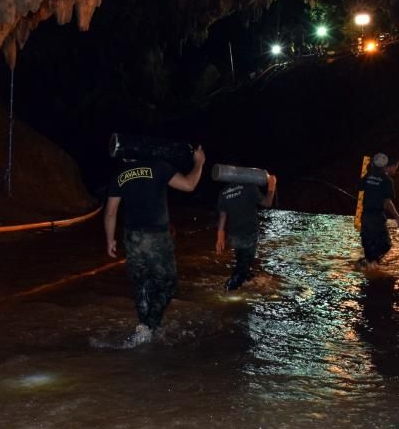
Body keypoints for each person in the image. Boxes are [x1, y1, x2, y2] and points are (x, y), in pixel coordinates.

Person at [104, 145, 206, 342]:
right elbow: (189, 185)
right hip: (157, 236)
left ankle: (143, 326)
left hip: (132, 237)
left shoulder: (120, 173)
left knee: (141, 283)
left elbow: (110, 212)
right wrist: (199, 163)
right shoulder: (159, 166)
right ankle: (150, 326)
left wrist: (110, 240)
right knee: (168, 284)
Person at [215, 172, 277, 290]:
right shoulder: (249, 186)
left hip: (234, 236)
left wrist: (220, 238)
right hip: (249, 233)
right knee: (243, 265)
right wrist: (272, 186)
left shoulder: (224, 192)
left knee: (242, 260)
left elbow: (223, 216)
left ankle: (247, 280)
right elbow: (267, 202)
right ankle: (229, 289)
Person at [357, 153, 399, 269]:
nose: (395, 170)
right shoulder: (387, 180)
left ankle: (368, 264)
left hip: (365, 216)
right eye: (396, 167)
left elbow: (360, 187)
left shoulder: (368, 176)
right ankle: (372, 264)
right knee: (385, 244)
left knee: (368, 243)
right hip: (377, 217)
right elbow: (387, 202)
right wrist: (398, 217)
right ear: (388, 166)